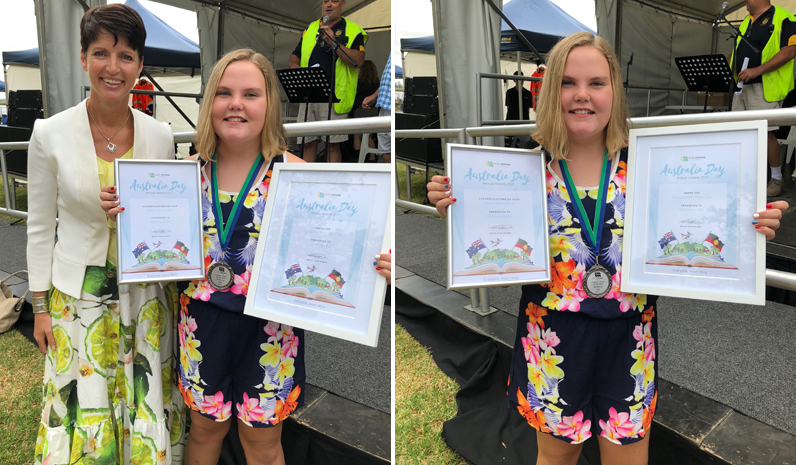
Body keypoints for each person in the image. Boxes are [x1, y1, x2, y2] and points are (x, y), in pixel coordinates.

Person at [427, 31, 787, 465]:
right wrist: (465, 219)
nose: (582, 95)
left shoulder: (650, 169)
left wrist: (748, 225)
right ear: (549, 90)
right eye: (567, 82)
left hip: (630, 339)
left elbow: (703, 233)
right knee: (557, 457)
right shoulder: (520, 172)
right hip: (552, 340)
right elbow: (500, 272)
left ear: (615, 90)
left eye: (596, 83)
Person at [27, 4, 187, 464]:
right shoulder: (49, 134)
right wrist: (39, 308)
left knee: (142, 395)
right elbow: (39, 229)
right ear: (83, 59)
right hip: (78, 298)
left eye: (126, 56)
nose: (113, 68)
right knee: (86, 400)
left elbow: (168, 213)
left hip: (145, 296)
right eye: (101, 53)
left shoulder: (161, 135)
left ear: (140, 66)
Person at [730, 0, 796, 197]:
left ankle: (776, 178)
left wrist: (756, 70)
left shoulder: (783, 16)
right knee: (741, 132)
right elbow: (736, 53)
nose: (745, 3)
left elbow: (791, 50)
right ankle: (745, 177)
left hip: (765, 86)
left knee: (766, 132)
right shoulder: (745, 22)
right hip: (741, 86)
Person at [289, 0, 367, 163]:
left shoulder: (352, 29)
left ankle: (331, 185)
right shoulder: (310, 28)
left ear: (343, 5)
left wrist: (334, 42)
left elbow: (358, 61)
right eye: (325, 1)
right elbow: (295, 54)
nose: (329, 5)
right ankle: (307, 183)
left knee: (333, 145)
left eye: (334, 1)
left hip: (334, 96)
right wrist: (295, 67)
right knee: (308, 142)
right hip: (309, 93)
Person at [362, 55, 392, 163]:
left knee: (391, 152)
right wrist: (375, 95)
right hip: (384, 105)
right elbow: (387, 80)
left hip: (392, 107)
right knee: (386, 153)